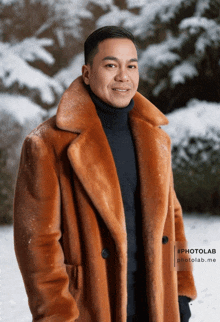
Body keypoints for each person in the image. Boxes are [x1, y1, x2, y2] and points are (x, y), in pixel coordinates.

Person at [14, 26, 197, 322]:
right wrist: (57, 314)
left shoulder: (155, 137)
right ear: (87, 73)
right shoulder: (47, 143)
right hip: (91, 308)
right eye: (111, 65)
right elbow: (37, 245)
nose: (123, 76)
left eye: (131, 66)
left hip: (157, 307)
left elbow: (172, 218)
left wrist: (181, 289)